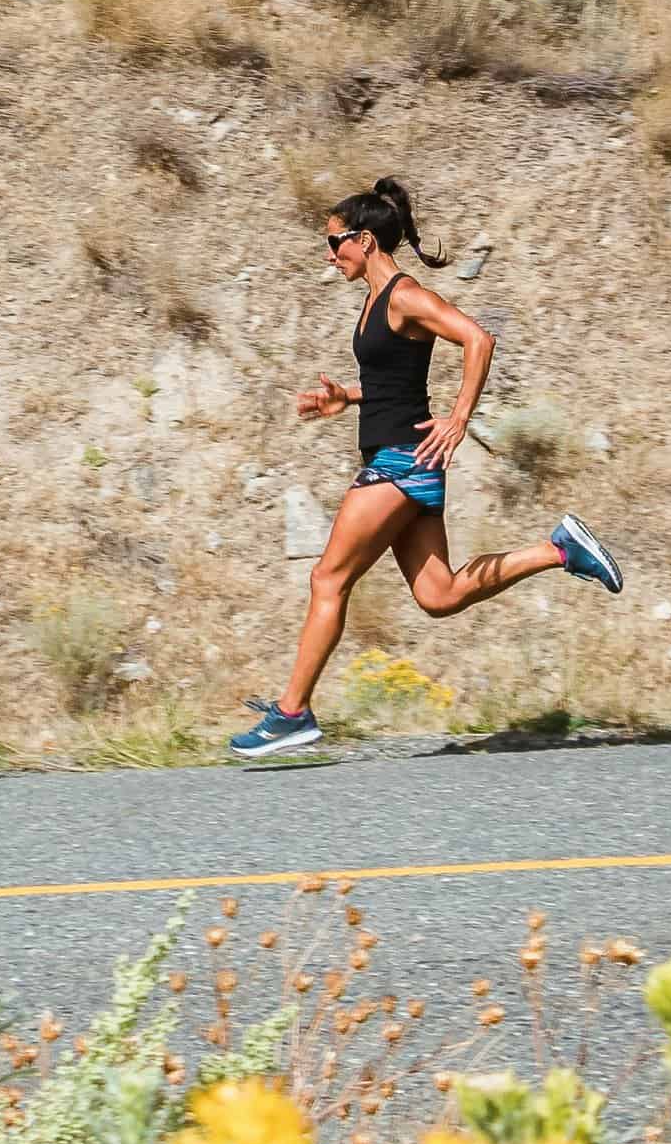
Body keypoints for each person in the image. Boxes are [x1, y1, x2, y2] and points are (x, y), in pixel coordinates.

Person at [228, 177, 623, 759]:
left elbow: (477, 339)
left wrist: (459, 419)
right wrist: (350, 399)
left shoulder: (406, 295)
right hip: (401, 459)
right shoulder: (375, 301)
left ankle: (293, 713)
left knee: (327, 579)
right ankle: (559, 549)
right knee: (439, 594)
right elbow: (396, 383)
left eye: (334, 242)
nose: (329, 254)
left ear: (364, 240)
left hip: (400, 462)